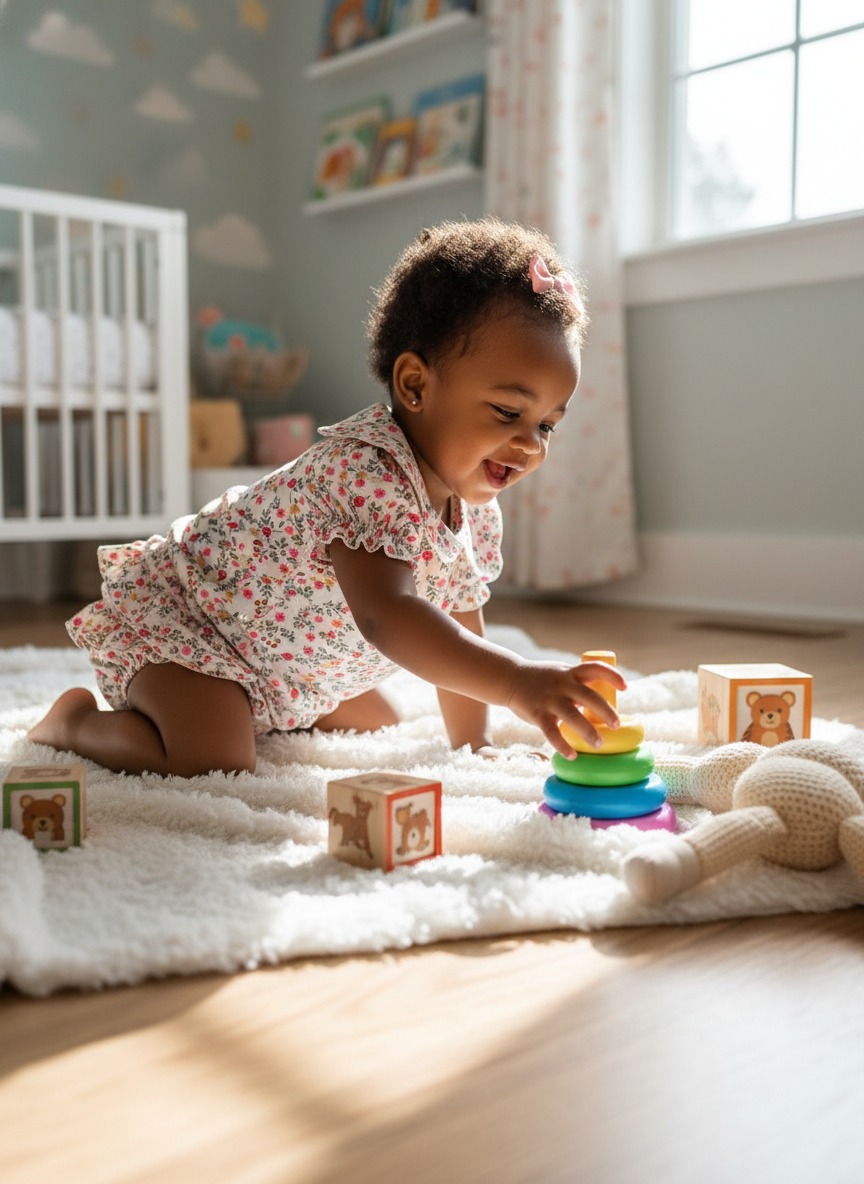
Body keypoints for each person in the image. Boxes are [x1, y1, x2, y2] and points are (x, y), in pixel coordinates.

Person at [29, 218, 624, 777]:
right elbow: (386, 616)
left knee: (378, 725)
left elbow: (460, 615)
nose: (529, 445)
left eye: (546, 425)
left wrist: (474, 743)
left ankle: (266, 708)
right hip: (197, 632)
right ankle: (75, 724)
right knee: (216, 761)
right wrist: (518, 682)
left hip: (283, 661)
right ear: (414, 384)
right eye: (507, 412)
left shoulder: (473, 509)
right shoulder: (364, 472)